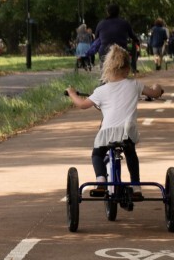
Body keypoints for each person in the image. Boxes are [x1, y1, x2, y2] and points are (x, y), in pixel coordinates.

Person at [66, 44, 163, 207]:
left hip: (106, 133)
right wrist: (157, 88)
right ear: (127, 69)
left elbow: (82, 104)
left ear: (108, 69)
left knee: (97, 154)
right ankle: (136, 187)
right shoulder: (135, 85)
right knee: (131, 154)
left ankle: (101, 181)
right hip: (127, 132)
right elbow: (155, 93)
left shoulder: (101, 90)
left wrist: (72, 94)